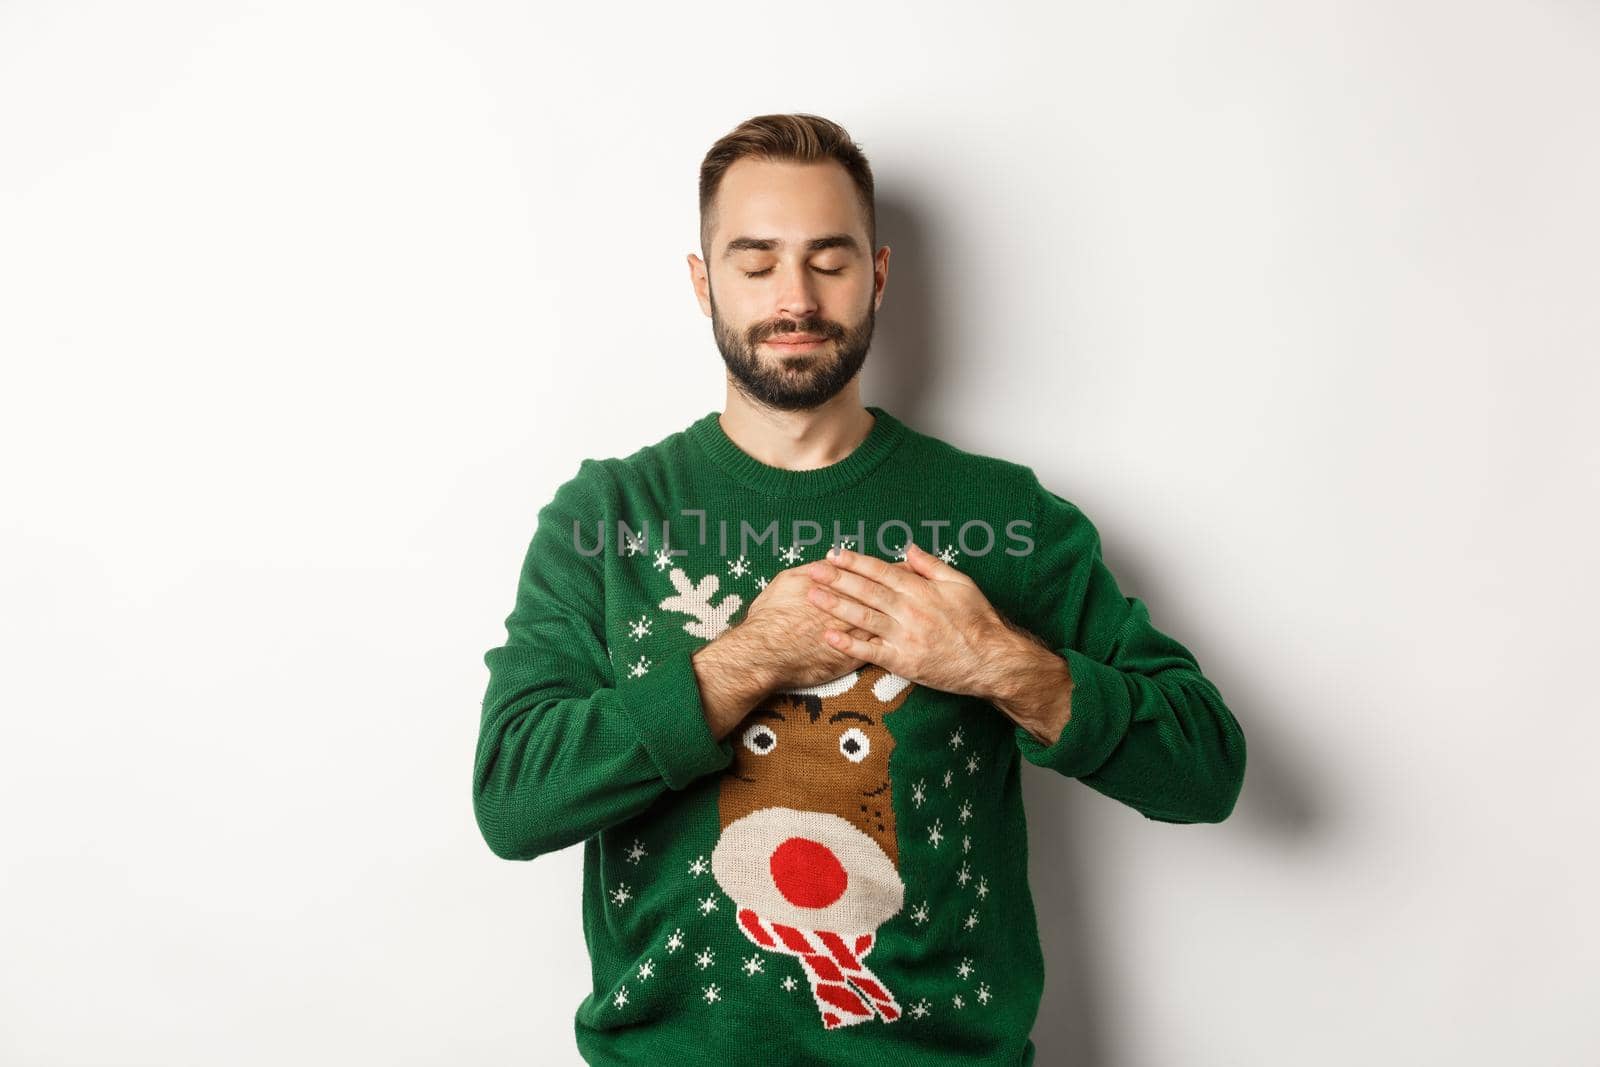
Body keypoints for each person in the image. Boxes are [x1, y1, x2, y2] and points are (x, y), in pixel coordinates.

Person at [472, 112, 1247, 1066]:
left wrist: (1003, 665)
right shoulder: (608, 516)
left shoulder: (1003, 516)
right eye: (755, 263)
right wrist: (749, 659)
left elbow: (1206, 768)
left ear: (877, 276)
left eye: (828, 261)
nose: (794, 297)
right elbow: (513, 798)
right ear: (701, 280)